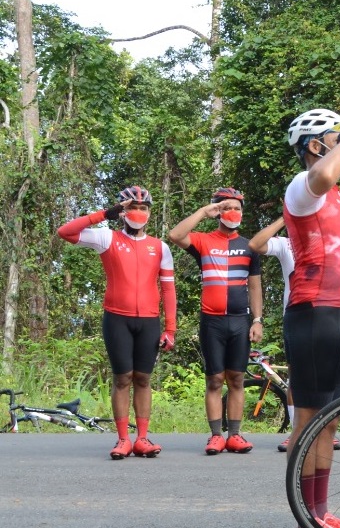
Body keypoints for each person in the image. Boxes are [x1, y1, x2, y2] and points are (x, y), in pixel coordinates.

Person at [282, 108, 340, 528]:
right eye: (335, 139)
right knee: (309, 418)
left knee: (329, 420)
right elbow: (324, 175)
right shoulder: (303, 188)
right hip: (314, 310)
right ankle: (306, 522)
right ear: (316, 146)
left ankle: (322, 514)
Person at [56, 185, 176, 459]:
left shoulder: (160, 247)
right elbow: (66, 232)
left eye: (143, 208)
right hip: (117, 319)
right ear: (122, 212)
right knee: (122, 378)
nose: (138, 212)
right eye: (131, 207)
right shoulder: (106, 238)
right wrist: (103, 214)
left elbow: (168, 289)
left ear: (149, 212)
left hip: (148, 321)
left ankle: (142, 438)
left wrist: (171, 329)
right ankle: (123, 439)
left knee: (143, 379)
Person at [168, 187, 264, 456]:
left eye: (237, 208)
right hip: (212, 322)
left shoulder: (250, 245)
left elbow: (255, 287)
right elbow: (175, 235)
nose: (233, 212)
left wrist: (257, 320)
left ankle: (234, 434)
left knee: (236, 379)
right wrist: (202, 212)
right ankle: (215, 436)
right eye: (226, 207)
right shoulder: (203, 241)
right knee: (214, 380)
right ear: (217, 212)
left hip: (240, 321)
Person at [249, 216, 340, 455]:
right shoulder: (286, 243)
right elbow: (256, 244)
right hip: (296, 316)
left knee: (326, 374)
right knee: (296, 375)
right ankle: (296, 432)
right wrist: (284, 218)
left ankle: (324, 431)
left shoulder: (329, 241)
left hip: (328, 314)